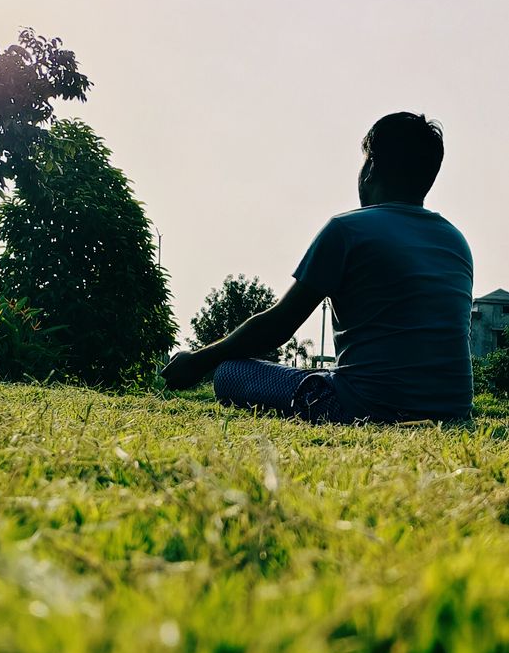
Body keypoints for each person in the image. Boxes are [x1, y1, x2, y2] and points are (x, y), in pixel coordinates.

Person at [162, 112, 473, 424]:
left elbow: (278, 326)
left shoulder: (348, 229)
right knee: (324, 373)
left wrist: (200, 360)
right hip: (451, 412)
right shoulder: (456, 241)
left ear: (371, 167)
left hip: (365, 408)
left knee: (230, 372)